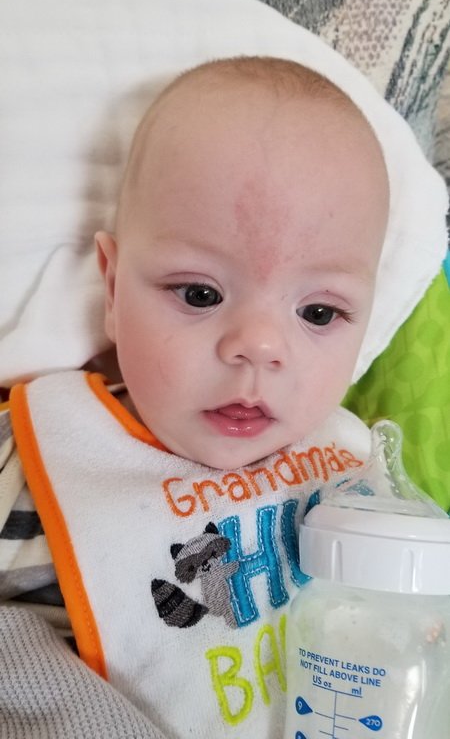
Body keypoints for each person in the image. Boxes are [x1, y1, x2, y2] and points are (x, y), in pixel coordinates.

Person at [0, 55, 432, 738]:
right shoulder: (46, 453)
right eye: (201, 294)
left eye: (319, 313)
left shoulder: (356, 471)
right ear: (112, 289)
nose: (258, 347)